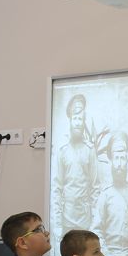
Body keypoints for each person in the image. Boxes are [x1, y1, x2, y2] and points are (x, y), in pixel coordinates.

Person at [53, 94, 100, 237]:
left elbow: (95, 188)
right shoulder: (62, 151)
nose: (78, 123)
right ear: (70, 120)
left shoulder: (90, 150)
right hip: (66, 219)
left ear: (84, 121)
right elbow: (57, 188)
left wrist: (94, 222)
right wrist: (57, 224)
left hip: (85, 220)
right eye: (75, 118)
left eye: (81, 119)